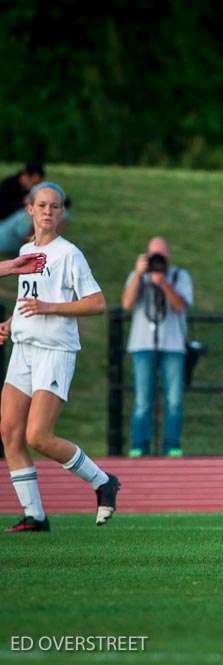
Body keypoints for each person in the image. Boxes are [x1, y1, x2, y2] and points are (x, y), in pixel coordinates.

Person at [1, 182, 120, 533]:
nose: (49, 212)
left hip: (54, 351)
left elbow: (97, 302)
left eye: (55, 206)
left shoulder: (69, 254)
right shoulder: (25, 250)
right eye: (42, 206)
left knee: (38, 435)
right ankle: (35, 514)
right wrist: (11, 323)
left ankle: (103, 482)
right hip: (23, 350)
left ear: (61, 212)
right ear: (30, 209)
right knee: (9, 431)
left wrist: (52, 307)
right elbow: (31, 300)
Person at [121, 237, 194, 457]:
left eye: (161, 255)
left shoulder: (180, 276)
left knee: (174, 399)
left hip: (172, 345)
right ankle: (139, 447)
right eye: (153, 255)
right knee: (142, 400)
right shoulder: (137, 276)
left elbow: (180, 306)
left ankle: (172, 446)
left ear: (168, 256)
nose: (157, 259)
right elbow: (127, 303)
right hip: (142, 345)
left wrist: (163, 282)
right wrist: (139, 274)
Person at [0, 163, 44, 256]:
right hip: (3, 230)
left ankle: (37, 248)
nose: (35, 186)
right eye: (34, 183)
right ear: (25, 176)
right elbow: (2, 211)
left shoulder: (32, 190)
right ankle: (30, 252)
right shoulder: (8, 185)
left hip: (15, 233)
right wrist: (22, 203)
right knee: (27, 215)